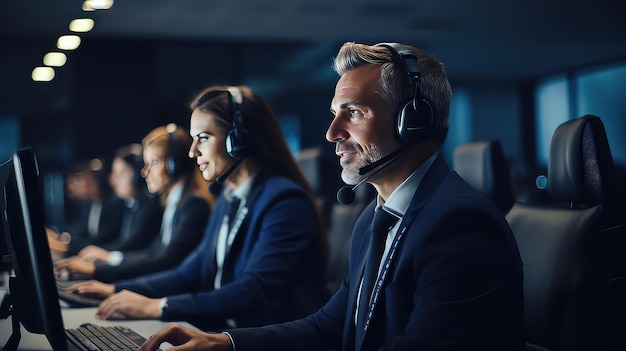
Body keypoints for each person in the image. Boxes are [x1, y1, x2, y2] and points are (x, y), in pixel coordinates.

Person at [139, 42, 525, 351]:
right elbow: (331, 325)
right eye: (333, 113)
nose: (331, 132)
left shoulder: (458, 224)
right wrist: (223, 343)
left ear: (413, 120)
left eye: (352, 112)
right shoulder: (374, 220)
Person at [66, 85, 329, 331]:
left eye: (203, 138)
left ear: (238, 139)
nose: (192, 152)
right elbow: (188, 273)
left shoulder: (284, 201)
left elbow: (254, 290)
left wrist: (157, 306)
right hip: (223, 330)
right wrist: (115, 289)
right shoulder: (229, 198)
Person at [55, 124, 213, 283]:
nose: (144, 172)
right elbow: (153, 252)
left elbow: (165, 262)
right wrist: (108, 261)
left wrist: (98, 270)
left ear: (174, 164)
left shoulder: (194, 205)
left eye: (154, 162)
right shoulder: (174, 202)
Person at [78, 143, 163, 258]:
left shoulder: (150, 207)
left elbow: (133, 245)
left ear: (136, 175)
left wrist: (106, 256)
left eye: (120, 174)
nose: (113, 181)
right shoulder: (131, 204)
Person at [47, 158, 126, 256]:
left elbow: (102, 238)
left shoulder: (114, 204)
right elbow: (81, 229)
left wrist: (66, 247)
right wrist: (60, 236)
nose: (80, 186)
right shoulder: (89, 204)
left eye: (87, 181)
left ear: (99, 181)